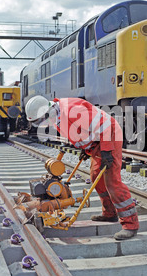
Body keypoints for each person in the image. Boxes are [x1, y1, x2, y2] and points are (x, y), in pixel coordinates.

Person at [25, 95, 139, 240]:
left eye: (41, 120)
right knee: (95, 177)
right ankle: (110, 214)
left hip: (109, 137)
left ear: (48, 111)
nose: (42, 124)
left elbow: (105, 126)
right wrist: (85, 149)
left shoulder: (73, 111)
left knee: (112, 181)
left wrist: (106, 151)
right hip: (97, 143)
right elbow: (80, 131)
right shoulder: (57, 116)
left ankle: (130, 225)